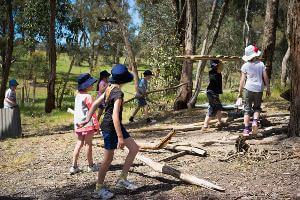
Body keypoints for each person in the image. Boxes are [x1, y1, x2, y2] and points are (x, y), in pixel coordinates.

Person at [78, 64, 139, 199]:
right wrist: (120, 137)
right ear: (124, 80)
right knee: (108, 159)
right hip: (110, 127)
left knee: (134, 148)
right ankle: (98, 188)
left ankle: (122, 179)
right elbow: (114, 116)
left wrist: (87, 119)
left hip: (114, 125)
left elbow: (95, 104)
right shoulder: (118, 93)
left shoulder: (109, 88)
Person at [70, 73, 100, 175]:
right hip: (87, 124)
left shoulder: (78, 96)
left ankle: (74, 166)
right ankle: (91, 166)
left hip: (78, 124)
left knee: (79, 143)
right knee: (88, 144)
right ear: (87, 86)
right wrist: (96, 125)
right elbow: (92, 113)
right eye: (91, 84)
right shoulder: (88, 97)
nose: (92, 85)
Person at [238, 45, 271, 136]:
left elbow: (242, 80)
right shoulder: (261, 64)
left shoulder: (245, 66)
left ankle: (246, 130)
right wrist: (268, 88)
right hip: (259, 89)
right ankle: (255, 122)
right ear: (255, 55)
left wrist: (240, 92)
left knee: (247, 110)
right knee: (257, 108)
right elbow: (265, 77)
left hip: (248, 89)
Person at [201, 60, 225, 131]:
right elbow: (220, 66)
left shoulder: (213, 71)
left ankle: (220, 123)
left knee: (218, 107)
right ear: (216, 66)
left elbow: (220, 67)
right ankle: (205, 126)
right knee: (213, 109)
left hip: (212, 92)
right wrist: (220, 61)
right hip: (212, 93)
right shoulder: (215, 72)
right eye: (219, 64)